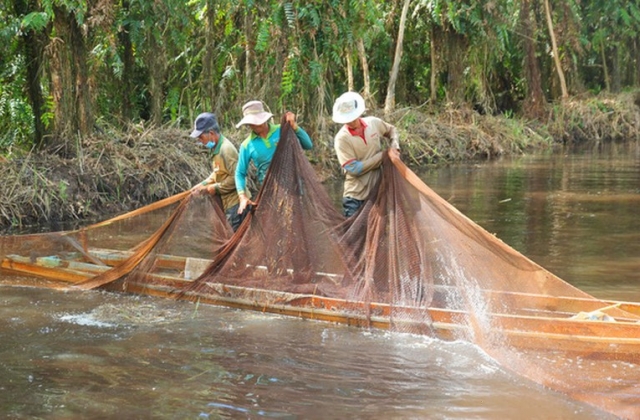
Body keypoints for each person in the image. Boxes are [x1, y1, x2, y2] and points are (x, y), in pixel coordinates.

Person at [234, 100, 313, 213]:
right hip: (270, 192)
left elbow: (308, 145)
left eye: (257, 121)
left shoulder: (281, 130)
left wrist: (295, 127)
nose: (255, 125)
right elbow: (240, 173)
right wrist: (242, 196)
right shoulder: (247, 145)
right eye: (251, 123)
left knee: (296, 221)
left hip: (293, 186)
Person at [332, 91, 400, 217]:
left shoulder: (373, 123)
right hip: (355, 197)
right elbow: (354, 168)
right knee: (354, 235)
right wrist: (383, 156)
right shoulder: (342, 139)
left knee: (378, 234)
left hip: (377, 193)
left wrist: (395, 146)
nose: (351, 121)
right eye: (347, 119)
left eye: (352, 117)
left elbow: (392, 130)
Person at [189, 112, 248, 231]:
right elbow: (217, 172)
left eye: (201, 137)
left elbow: (237, 178)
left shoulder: (226, 149)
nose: (201, 141)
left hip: (235, 205)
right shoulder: (216, 148)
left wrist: (214, 188)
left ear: (211, 133)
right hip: (227, 203)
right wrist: (203, 184)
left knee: (234, 240)